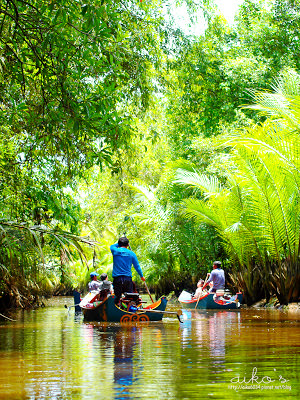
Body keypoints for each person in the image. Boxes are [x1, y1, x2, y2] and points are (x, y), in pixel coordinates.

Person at [110, 237, 145, 304]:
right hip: (128, 279)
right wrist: (141, 276)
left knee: (117, 297)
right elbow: (137, 266)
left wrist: (119, 244)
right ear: (128, 245)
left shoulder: (115, 251)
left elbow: (112, 246)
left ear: (119, 244)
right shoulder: (132, 254)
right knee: (129, 298)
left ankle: (118, 308)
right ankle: (129, 310)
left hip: (117, 279)